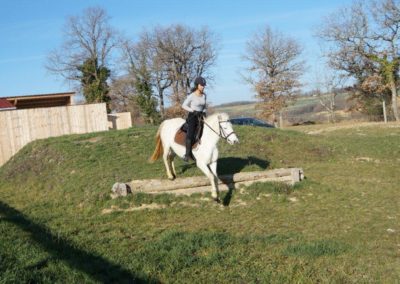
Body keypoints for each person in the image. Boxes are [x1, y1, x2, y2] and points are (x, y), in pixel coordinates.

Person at [181, 76, 207, 162]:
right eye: (202, 85)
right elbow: (183, 105)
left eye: (204, 85)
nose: (203, 87)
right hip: (192, 116)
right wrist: (192, 110)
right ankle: (187, 154)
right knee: (190, 134)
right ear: (197, 85)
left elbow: (204, 106)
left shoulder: (204, 96)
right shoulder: (192, 96)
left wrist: (204, 111)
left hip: (200, 116)